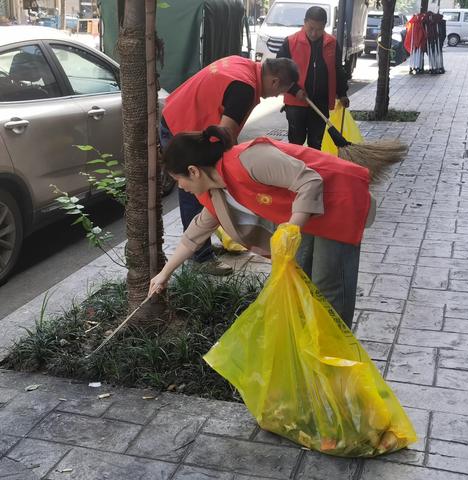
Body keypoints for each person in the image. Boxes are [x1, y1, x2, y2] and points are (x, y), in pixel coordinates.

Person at [149, 126, 376, 329]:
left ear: (194, 171)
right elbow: (194, 235)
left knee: (329, 287)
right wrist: (164, 275)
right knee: (303, 279)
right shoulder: (216, 192)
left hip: (339, 201)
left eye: (179, 180)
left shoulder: (249, 159)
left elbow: (310, 181)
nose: (180, 187)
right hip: (308, 213)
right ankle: (311, 343)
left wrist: (291, 229)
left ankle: (334, 355)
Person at [160, 55, 299, 275]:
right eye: (280, 91)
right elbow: (224, 138)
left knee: (206, 185)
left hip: (177, 113)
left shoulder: (241, 64)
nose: (277, 96)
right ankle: (200, 257)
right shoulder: (244, 88)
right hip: (182, 125)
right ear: (274, 81)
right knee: (195, 188)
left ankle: (201, 243)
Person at [276, 6, 350, 150]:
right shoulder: (291, 42)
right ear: (304, 22)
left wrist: (342, 93)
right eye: (311, 28)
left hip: (320, 103)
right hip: (295, 103)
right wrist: (294, 89)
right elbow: (279, 71)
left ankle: (312, 171)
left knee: (315, 144)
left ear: (324, 26)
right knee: (296, 143)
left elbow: (338, 70)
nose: (314, 33)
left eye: (319, 29)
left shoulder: (332, 44)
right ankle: (295, 170)